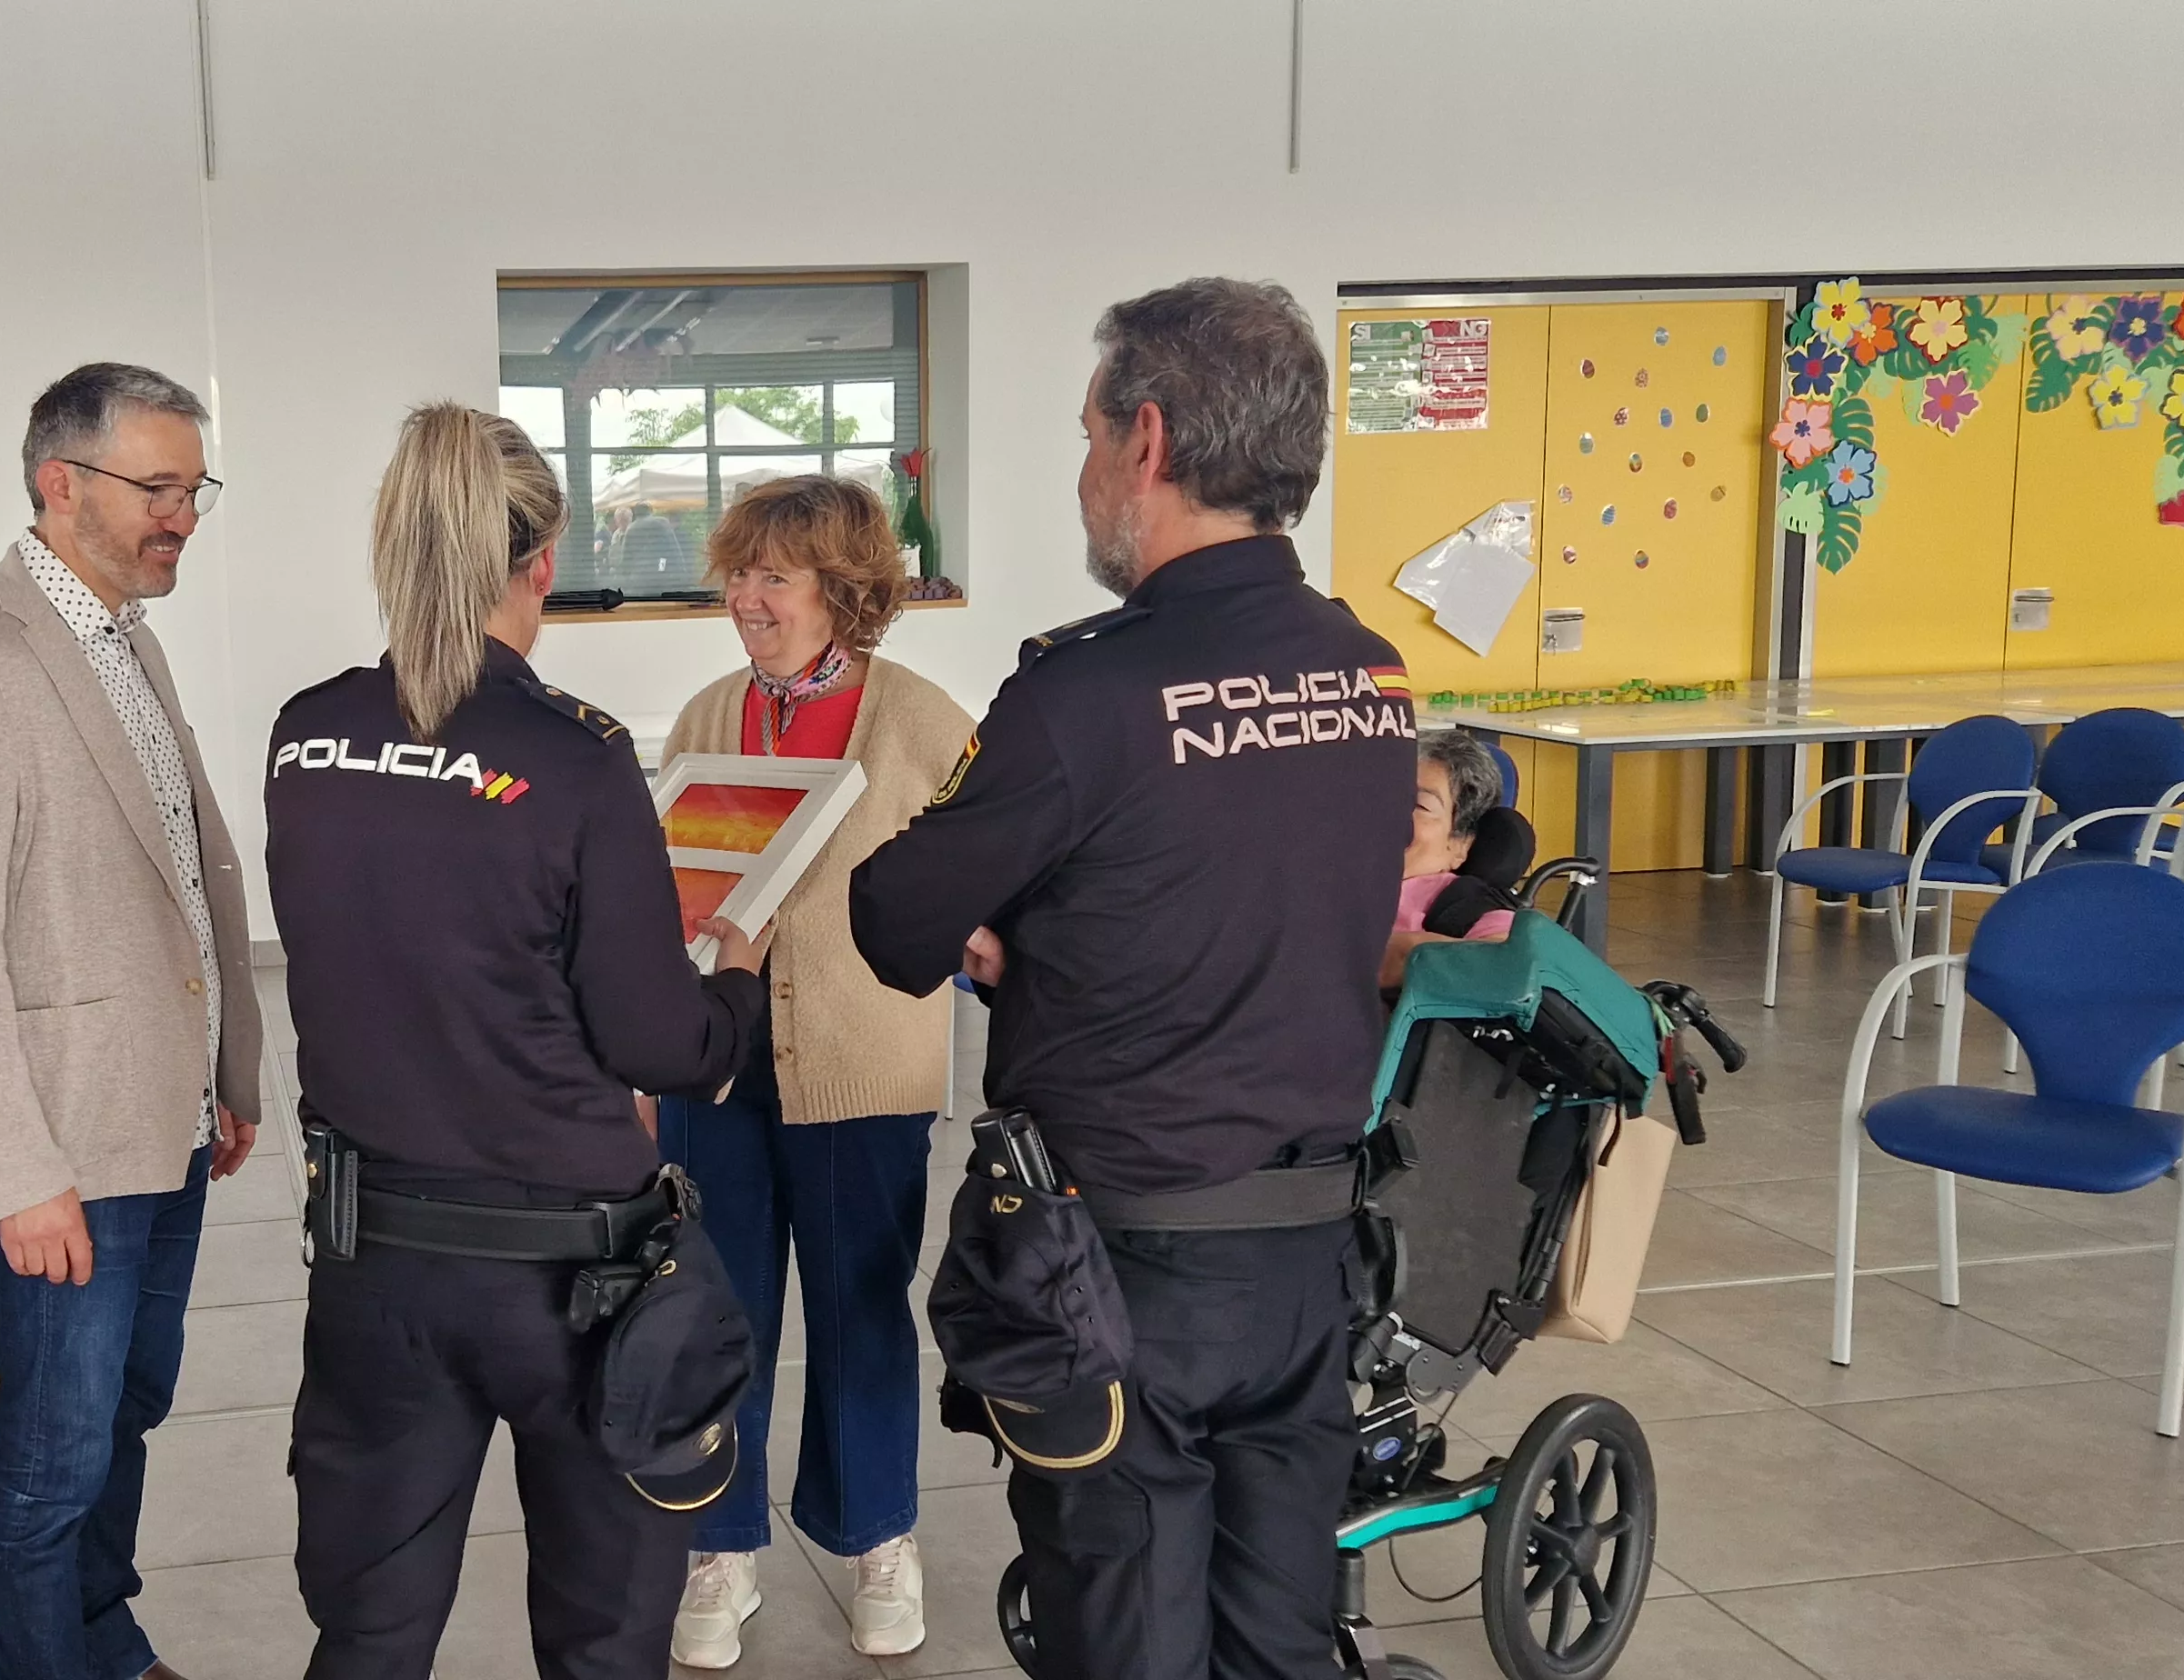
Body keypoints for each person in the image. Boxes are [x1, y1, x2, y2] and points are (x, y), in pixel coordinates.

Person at [849, 278, 1417, 1680]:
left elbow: (895, 917)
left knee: (1124, 1638)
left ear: (1147, 441)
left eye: (1089, 434)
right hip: (1306, 1254)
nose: (1087, 470)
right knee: (1276, 1636)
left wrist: (1012, 913)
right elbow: (1242, 875)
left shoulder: (1083, 692)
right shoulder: (1369, 672)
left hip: (1122, 1272)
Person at [266, 403, 769, 1680]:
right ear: (540, 565)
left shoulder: (303, 737)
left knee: (369, 1638)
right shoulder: (579, 760)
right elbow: (656, 1038)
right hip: (575, 1283)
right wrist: (741, 991)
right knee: (605, 1645)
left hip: (376, 1267)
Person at [0, 363, 265, 1680]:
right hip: (66, 1149)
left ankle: (106, 1640)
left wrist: (221, 1069)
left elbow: (171, 873)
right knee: (53, 1453)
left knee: (130, 1409)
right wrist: (14, 1169)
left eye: (192, 487)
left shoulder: (121, 634)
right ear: (64, 483)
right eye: (160, 488)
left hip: (156, 1117)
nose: (185, 515)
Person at [651, 475, 973, 1667]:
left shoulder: (927, 723)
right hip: (715, 1073)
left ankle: (877, 1536)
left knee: (862, 1315)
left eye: (773, 576)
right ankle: (718, 1549)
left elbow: (987, 887)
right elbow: (661, 895)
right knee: (713, 1317)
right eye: (738, 574)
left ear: (843, 589)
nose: (746, 598)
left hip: (868, 1070)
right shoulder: (705, 719)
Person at [1383, 728, 1516, 988]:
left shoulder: (1459, 903)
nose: (1389, 813)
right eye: (1384, 795)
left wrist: (1399, 952)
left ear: (1460, 843)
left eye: (1419, 805)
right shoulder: (1321, 876)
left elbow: (1510, 960)